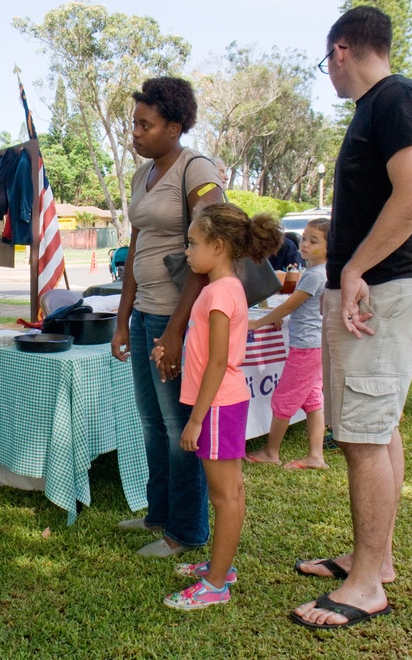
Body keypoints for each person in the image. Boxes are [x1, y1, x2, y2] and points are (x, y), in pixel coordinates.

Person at [292, 6, 412, 629]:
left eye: (324, 60)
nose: (326, 71)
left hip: (380, 293)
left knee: (360, 438)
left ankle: (365, 587)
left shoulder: (396, 98)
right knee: (377, 428)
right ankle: (372, 559)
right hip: (371, 293)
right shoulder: (377, 107)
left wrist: (353, 271)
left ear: (342, 49)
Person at [112, 77, 225, 558]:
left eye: (145, 124)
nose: (135, 133)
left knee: (181, 430)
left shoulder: (195, 169)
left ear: (175, 126)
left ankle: (187, 531)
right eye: (133, 123)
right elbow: (138, 246)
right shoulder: (144, 175)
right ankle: (159, 513)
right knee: (151, 424)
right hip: (144, 316)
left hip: (178, 319)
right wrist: (123, 318)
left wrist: (177, 330)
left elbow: (215, 246)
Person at [154, 204, 282, 610]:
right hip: (221, 402)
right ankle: (220, 568)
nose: (187, 252)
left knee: (226, 496)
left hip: (217, 406)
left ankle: (215, 585)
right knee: (231, 492)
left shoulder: (220, 292)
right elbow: (204, 349)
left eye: (192, 244)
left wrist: (194, 420)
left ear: (219, 245)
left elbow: (219, 360)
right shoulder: (219, 289)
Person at [245, 218, 330, 469]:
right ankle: (316, 455)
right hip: (314, 345)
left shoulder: (314, 276)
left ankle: (271, 451)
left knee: (284, 399)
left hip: (306, 348)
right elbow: (301, 310)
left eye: (313, 241)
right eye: (304, 238)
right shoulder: (321, 273)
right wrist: (281, 320)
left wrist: (257, 323)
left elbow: (289, 305)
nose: (304, 244)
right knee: (313, 399)